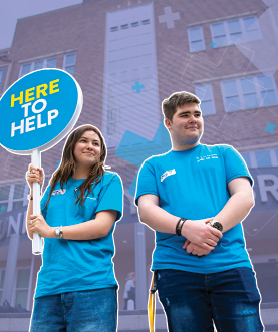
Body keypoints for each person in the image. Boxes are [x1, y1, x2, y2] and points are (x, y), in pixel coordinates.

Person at [135, 91, 264, 331]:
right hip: (176, 270)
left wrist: (210, 231)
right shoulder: (153, 165)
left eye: (197, 113)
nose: (194, 119)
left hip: (231, 266)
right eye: (185, 115)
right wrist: (186, 228)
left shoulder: (225, 153)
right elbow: (146, 210)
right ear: (169, 123)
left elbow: (244, 197)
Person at [25, 124, 123, 332]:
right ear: (71, 146)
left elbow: (101, 227)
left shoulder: (109, 181)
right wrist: (35, 190)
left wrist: (53, 232)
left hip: (93, 288)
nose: (90, 146)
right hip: (49, 290)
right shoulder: (55, 186)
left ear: (101, 152)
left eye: (96, 143)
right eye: (84, 141)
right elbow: (33, 229)